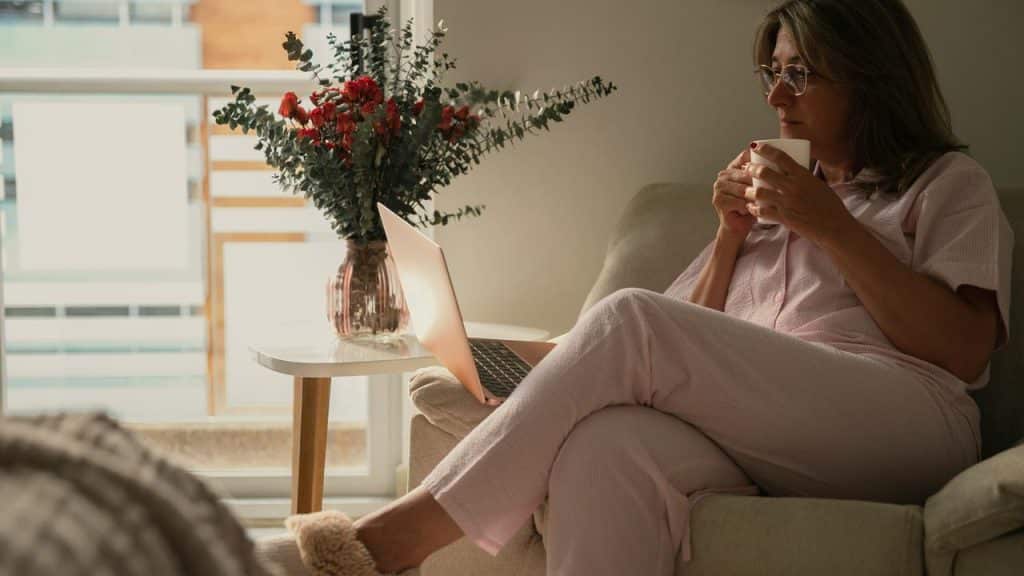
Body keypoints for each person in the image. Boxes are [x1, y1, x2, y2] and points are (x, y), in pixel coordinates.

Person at [278, 1, 1013, 574]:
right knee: (606, 444)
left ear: (870, 77)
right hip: (771, 434)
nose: (779, 94)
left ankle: (392, 541)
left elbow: (963, 350)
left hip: (907, 421)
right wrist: (728, 239)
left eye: (802, 72)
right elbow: (675, 354)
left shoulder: (947, 184)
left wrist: (833, 226)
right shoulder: (767, 204)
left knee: (629, 317)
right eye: (773, 71)